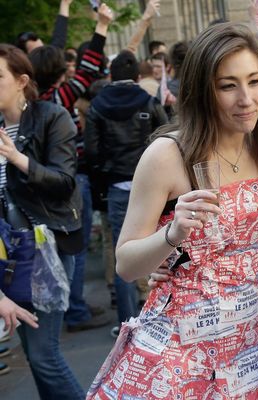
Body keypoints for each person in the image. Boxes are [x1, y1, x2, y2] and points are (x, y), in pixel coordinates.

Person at [87, 22, 258, 399]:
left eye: (254, 81)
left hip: (245, 351)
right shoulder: (167, 155)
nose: (246, 98)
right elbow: (126, 265)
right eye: (228, 85)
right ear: (200, 91)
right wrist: (170, 235)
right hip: (178, 350)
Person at [0, 43, 85, 399]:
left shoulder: (52, 117)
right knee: (37, 357)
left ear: (21, 81)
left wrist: (18, 159)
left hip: (45, 246)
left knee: (43, 353)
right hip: (8, 251)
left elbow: (65, 183)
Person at [29, 3, 113, 333]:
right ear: (60, 70)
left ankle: (63, 307)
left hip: (40, 182)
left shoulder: (31, 101)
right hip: (70, 181)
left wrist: (64, 8)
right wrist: (102, 27)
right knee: (72, 247)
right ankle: (75, 310)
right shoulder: (61, 97)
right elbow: (89, 67)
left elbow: (51, 52)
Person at [85, 50, 168, 337]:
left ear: (110, 75)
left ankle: (126, 322)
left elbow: (92, 150)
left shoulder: (97, 105)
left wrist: (105, 174)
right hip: (154, 183)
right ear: (136, 76)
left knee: (126, 253)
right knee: (163, 245)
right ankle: (162, 313)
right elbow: (166, 133)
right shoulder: (147, 100)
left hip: (118, 186)